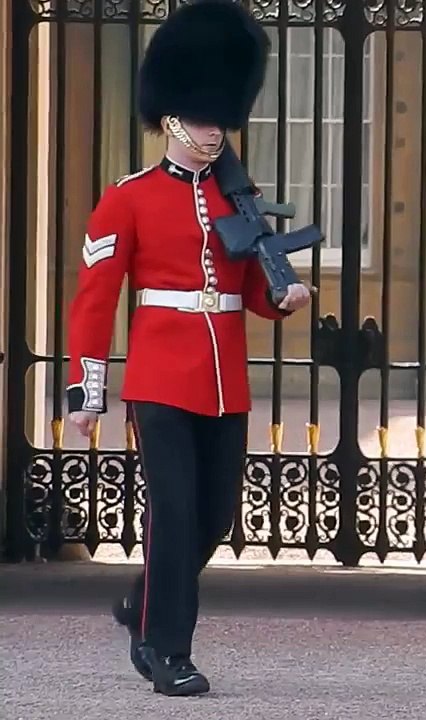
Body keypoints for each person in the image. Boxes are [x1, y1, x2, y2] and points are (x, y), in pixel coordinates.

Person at [65, 0, 312, 695]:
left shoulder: (241, 196)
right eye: (204, 119)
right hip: (160, 378)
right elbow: (95, 300)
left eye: (221, 120)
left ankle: (142, 601)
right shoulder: (129, 198)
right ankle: (169, 650)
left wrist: (283, 298)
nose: (214, 131)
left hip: (224, 377)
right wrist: (88, 395)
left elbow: (250, 287)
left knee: (212, 519)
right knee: (172, 514)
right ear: (171, 116)